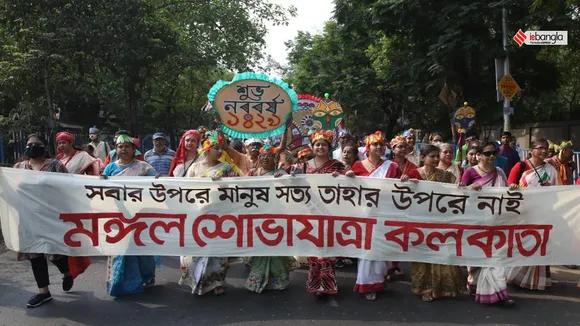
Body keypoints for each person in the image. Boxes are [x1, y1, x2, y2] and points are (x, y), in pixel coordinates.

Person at [13, 134, 75, 308]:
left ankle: (66, 272)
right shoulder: (18, 167)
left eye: (36, 144)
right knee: (35, 255)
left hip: (51, 217)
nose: (32, 146)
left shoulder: (56, 166)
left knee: (54, 253)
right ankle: (43, 292)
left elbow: (69, 189)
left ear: (44, 147)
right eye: (29, 144)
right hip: (28, 218)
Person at [400, 144, 466, 302]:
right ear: (423, 158)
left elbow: (453, 195)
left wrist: (461, 188)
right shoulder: (412, 174)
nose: (437, 159)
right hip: (419, 224)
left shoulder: (446, 176)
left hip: (439, 222)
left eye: (438, 156)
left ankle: (441, 289)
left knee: (440, 254)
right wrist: (405, 183)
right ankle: (424, 287)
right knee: (422, 257)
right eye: (432, 156)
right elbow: (401, 196)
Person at [180, 131, 238, 296]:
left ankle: (217, 282)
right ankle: (197, 280)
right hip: (198, 213)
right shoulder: (194, 168)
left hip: (220, 213)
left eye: (221, 148)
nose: (220, 151)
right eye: (216, 148)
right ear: (206, 149)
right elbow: (186, 190)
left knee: (217, 251)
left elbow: (237, 188)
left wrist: (230, 181)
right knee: (195, 252)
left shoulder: (226, 167)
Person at [345, 131, 400, 301]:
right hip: (363, 215)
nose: (378, 147)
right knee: (366, 250)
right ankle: (367, 284)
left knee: (380, 248)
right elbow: (348, 192)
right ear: (367, 148)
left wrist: (406, 180)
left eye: (381, 145)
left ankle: (379, 280)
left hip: (384, 213)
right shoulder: (357, 167)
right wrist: (348, 179)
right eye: (374, 144)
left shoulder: (392, 167)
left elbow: (399, 191)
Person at [102, 134, 158, 296]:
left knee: (142, 248)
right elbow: (101, 188)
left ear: (134, 149)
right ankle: (118, 281)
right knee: (119, 249)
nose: (124, 149)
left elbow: (157, 184)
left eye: (127, 146)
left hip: (140, 215)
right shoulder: (110, 168)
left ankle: (147, 276)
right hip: (117, 216)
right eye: (120, 146)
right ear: (115, 149)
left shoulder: (144, 167)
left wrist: (159, 180)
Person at [459, 141, 514, 307]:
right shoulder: (470, 172)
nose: (492, 156)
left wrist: (513, 189)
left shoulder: (500, 173)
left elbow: (505, 195)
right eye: (488, 153)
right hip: (474, 221)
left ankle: (499, 293)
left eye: (494, 153)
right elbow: (460, 196)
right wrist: (470, 189)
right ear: (479, 155)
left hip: (495, 221)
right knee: (477, 257)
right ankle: (475, 284)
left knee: (495, 258)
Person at [506, 138, 562, 290]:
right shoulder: (520, 166)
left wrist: (548, 189)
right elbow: (508, 188)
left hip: (544, 213)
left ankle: (536, 280)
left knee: (540, 243)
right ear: (531, 150)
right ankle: (516, 276)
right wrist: (514, 186)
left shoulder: (551, 169)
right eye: (540, 148)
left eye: (546, 148)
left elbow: (559, 192)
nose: (544, 151)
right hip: (523, 212)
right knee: (523, 243)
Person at [244, 144, 299, 293]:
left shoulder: (279, 173)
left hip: (275, 217)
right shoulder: (252, 173)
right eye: (262, 156)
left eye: (269, 156)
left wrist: (284, 179)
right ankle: (258, 278)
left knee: (273, 247)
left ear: (274, 159)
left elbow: (293, 187)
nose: (264, 158)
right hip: (255, 215)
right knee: (259, 247)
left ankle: (277, 279)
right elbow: (241, 189)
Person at [303, 129, 344, 297]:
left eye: (324, 145)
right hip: (309, 211)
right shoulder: (304, 165)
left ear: (329, 147)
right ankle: (315, 283)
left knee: (327, 249)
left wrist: (341, 177)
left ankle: (327, 284)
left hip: (330, 212)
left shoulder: (337, 165)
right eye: (317, 144)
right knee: (314, 249)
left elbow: (349, 186)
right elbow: (294, 182)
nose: (320, 147)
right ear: (312, 147)